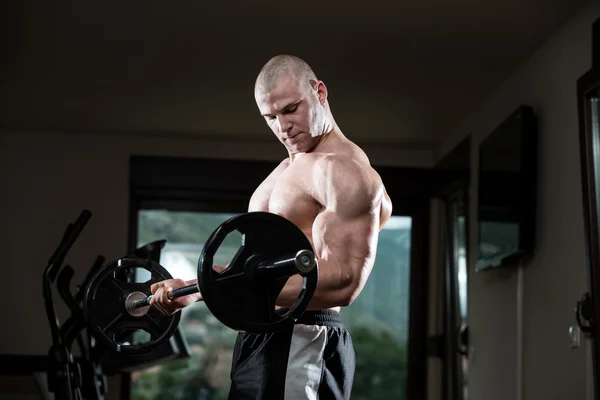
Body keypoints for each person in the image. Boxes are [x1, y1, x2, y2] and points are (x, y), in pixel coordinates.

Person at [149, 54, 393, 399]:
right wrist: (195, 287)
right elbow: (254, 270)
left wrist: (221, 287)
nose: (283, 127)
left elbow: (343, 282)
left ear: (320, 92)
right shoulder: (284, 171)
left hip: (303, 337)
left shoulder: (345, 173)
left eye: (291, 109)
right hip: (261, 334)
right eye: (271, 117)